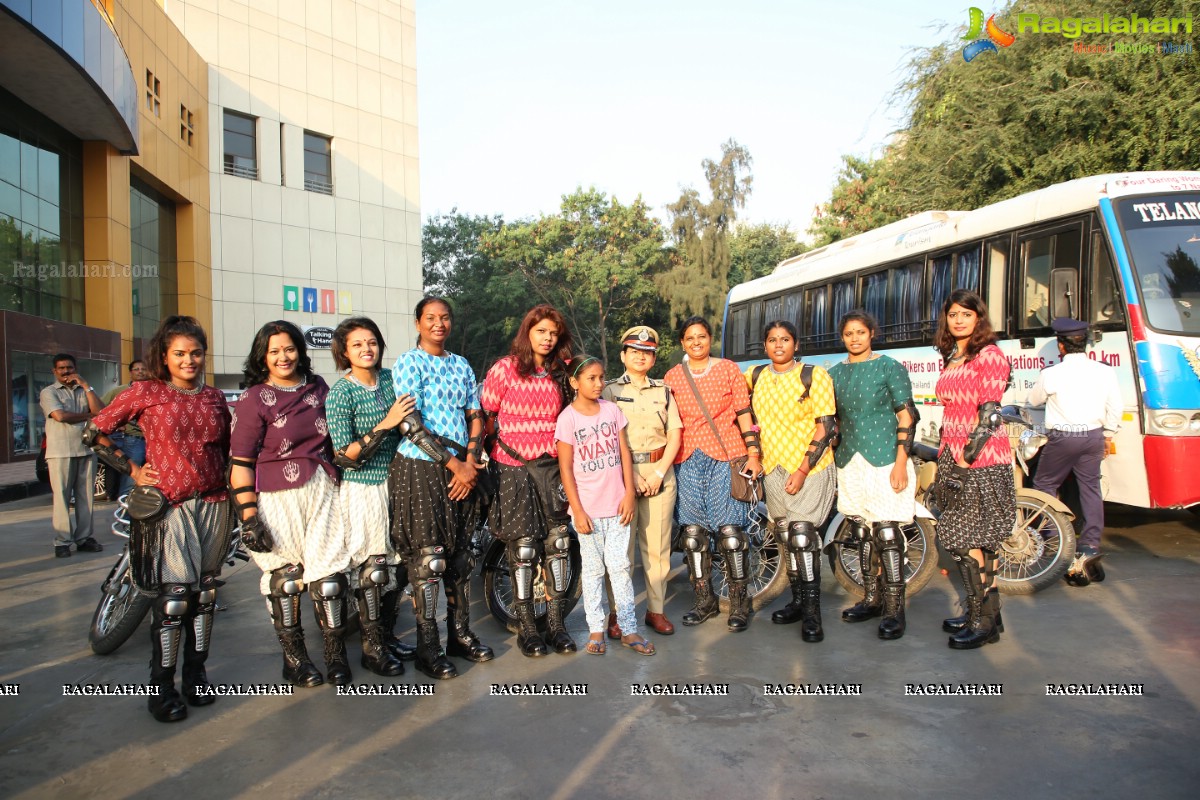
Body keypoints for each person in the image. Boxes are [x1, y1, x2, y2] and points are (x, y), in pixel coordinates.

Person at [85, 316, 233, 722]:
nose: (189, 361)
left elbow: (226, 449)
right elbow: (94, 432)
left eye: (196, 353)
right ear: (164, 357)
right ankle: (161, 687)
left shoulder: (216, 398)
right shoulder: (145, 392)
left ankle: (196, 675)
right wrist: (132, 471)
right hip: (168, 506)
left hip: (215, 504)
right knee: (174, 600)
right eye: (180, 354)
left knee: (204, 595)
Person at [229, 321, 351, 687]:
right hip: (277, 496)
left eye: (289, 348)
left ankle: (335, 654)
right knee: (286, 579)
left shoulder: (319, 388)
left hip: (322, 488)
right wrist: (248, 516)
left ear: (300, 350)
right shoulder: (253, 399)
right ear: (262, 356)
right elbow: (240, 462)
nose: (283, 357)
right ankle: (294, 658)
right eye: (274, 351)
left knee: (329, 579)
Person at [389, 297, 494, 678]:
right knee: (428, 561)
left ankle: (460, 635)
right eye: (430, 318)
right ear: (418, 322)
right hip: (422, 468)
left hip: (462, 467)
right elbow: (409, 424)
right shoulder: (408, 363)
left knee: (461, 558)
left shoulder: (462, 364)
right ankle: (428, 647)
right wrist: (454, 465)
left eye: (445, 317)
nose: (439, 324)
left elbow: (475, 414)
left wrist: (470, 461)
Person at [480, 304, 577, 657]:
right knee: (523, 549)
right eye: (541, 332)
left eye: (553, 333)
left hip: (552, 467)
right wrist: (491, 454)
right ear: (528, 333)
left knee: (559, 545)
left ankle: (556, 625)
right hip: (513, 467)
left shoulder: (560, 373)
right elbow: (485, 415)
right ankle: (527, 629)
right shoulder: (504, 369)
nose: (548, 338)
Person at [325, 316, 414, 678]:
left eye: (372, 342)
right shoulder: (340, 392)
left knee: (401, 565)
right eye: (358, 344)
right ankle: (371, 647)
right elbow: (344, 455)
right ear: (344, 351)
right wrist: (386, 424)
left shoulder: (392, 380)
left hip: (400, 482)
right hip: (364, 488)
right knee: (374, 569)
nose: (366, 349)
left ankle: (388, 636)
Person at [664, 316, 762, 632]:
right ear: (682, 343)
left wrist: (753, 453)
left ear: (710, 339)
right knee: (693, 536)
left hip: (725, 455)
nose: (696, 343)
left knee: (731, 535)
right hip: (687, 458)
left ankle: (739, 604)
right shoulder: (672, 377)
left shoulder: (728, 369)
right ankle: (704, 601)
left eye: (702, 337)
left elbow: (744, 413)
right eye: (690, 338)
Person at [828, 311, 919, 640]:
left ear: (872, 334)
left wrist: (900, 461)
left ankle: (895, 610)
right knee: (861, 533)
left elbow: (907, 414)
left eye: (861, 332)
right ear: (842, 338)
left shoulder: (889, 367)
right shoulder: (834, 374)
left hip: (884, 459)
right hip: (849, 459)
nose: (854, 338)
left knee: (887, 534)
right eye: (849, 333)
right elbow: (831, 419)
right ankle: (871, 598)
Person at [933, 289, 1015, 650]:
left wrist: (966, 458)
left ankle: (982, 621)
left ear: (979, 317)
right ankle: (982, 613)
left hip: (979, 458)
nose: (959, 320)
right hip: (952, 453)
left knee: (970, 541)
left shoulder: (990, 356)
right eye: (953, 314)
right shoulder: (952, 355)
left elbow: (990, 415)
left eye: (966, 314)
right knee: (968, 539)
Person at [557, 354, 654, 656]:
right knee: (593, 571)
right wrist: (578, 509)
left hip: (617, 508)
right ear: (574, 382)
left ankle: (628, 629)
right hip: (587, 512)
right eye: (591, 378)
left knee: (620, 568)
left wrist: (628, 495)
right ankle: (596, 629)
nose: (599, 384)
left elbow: (624, 452)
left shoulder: (611, 411)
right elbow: (566, 469)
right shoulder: (568, 419)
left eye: (601, 377)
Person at [748, 320, 838, 643]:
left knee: (802, 535)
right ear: (765, 345)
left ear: (796, 344)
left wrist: (802, 470)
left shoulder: (815, 376)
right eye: (772, 340)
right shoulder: (756, 377)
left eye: (785, 339)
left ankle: (813, 613)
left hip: (809, 468)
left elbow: (826, 426)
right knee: (786, 534)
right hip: (773, 467)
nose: (779, 345)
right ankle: (798, 601)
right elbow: (736, 403)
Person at [600, 326, 681, 637]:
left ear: (653, 357)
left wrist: (659, 472)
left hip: (661, 472)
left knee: (657, 550)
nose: (640, 356)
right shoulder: (608, 391)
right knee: (620, 551)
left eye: (646, 352)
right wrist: (631, 475)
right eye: (634, 351)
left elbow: (675, 434)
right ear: (623, 355)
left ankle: (656, 611)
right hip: (622, 477)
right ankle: (618, 614)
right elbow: (606, 437)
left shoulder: (664, 391)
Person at [1027, 317, 1121, 586]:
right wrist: (1109, 434)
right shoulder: (1105, 371)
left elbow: (1033, 401)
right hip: (1093, 436)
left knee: (1044, 484)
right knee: (1090, 488)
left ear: (1061, 346)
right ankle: (1090, 545)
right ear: (1087, 344)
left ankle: (1049, 538)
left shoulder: (1052, 374)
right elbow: (1115, 406)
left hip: (1065, 437)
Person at [40, 353, 104, 558]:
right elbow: (60, 416)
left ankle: (84, 538)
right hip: (60, 452)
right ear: (54, 371)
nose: (66, 372)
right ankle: (62, 542)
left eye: (69, 368)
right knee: (62, 498)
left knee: (86, 498)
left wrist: (86, 386)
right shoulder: (48, 392)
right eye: (61, 368)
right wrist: (88, 415)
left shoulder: (83, 390)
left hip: (86, 449)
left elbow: (100, 411)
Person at [102, 359, 150, 497]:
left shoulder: (154, 391)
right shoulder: (120, 391)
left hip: (154, 440)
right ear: (130, 372)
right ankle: (124, 514)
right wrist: (117, 424)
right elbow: (100, 409)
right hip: (134, 439)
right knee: (130, 478)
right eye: (136, 369)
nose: (140, 372)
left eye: (143, 369)